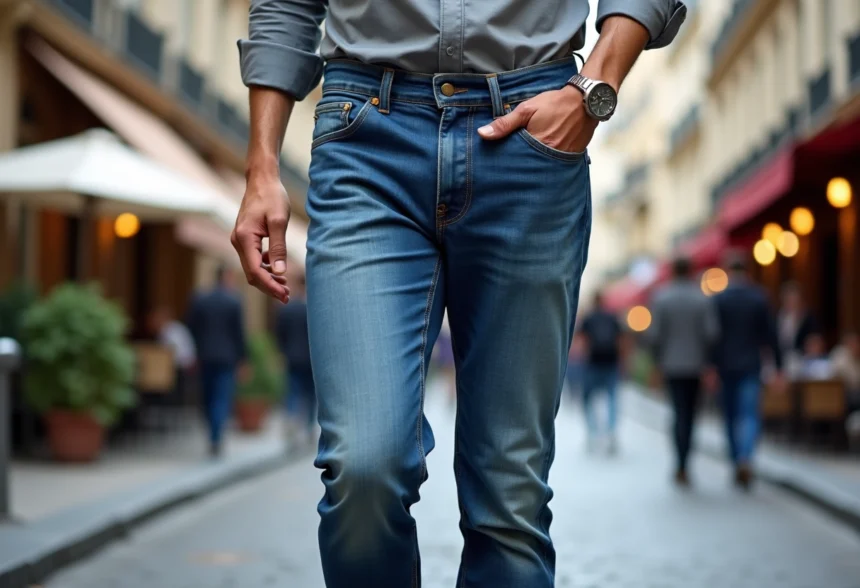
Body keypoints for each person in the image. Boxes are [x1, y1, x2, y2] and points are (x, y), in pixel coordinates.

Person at [233, 1, 687, 584]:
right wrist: (262, 166)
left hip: (531, 140)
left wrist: (592, 88)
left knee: (510, 494)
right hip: (366, 138)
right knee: (363, 466)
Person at [712, 253, 784, 491]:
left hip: (725, 366)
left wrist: (710, 366)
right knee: (750, 414)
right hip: (751, 365)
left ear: (729, 271)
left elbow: (712, 337)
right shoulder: (758, 298)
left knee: (731, 416)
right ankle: (746, 457)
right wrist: (779, 368)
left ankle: (736, 460)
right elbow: (772, 337)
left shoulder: (720, 300)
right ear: (748, 272)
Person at [649, 256, 719, 487]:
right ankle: (685, 460)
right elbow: (711, 334)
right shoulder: (702, 299)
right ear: (690, 271)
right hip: (695, 366)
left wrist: (657, 363)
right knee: (691, 415)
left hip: (671, 365)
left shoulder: (662, 298)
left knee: (678, 413)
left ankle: (680, 463)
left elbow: (655, 335)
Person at [186, 266, 248, 457]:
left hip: (205, 356)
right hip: (227, 358)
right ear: (227, 277)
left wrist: (196, 351)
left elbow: (191, 327)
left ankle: (213, 433)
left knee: (208, 397)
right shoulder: (234, 301)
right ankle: (215, 436)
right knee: (221, 398)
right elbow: (239, 334)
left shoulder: (200, 299)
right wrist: (243, 359)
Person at [578, 292, 624, 452]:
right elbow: (621, 340)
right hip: (611, 362)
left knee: (589, 399)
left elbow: (581, 340)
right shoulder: (612, 317)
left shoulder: (589, 318)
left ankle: (593, 432)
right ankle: (610, 431)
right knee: (611, 398)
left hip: (593, 363)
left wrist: (583, 356)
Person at [275, 270, 316, 447]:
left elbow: (279, 333)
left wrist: (283, 351)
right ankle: (308, 427)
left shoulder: (287, 308)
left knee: (293, 392)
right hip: (311, 359)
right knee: (311, 395)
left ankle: (292, 421)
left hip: (292, 357)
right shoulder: (314, 308)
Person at [148, 306, 196, 403]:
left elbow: (172, 353)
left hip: (181, 368)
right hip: (177, 366)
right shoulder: (170, 329)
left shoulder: (171, 331)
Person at [778, 281, 819, 375]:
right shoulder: (778, 317)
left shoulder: (808, 318)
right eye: (788, 299)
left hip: (804, 362)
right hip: (782, 362)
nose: (791, 302)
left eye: (794, 299)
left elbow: (815, 342)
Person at [831, 332, 860, 412]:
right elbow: (851, 380)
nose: (856, 346)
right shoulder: (840, 355)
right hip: (843, 393)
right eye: (853, 343)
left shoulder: (857, 356)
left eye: (857, 343)